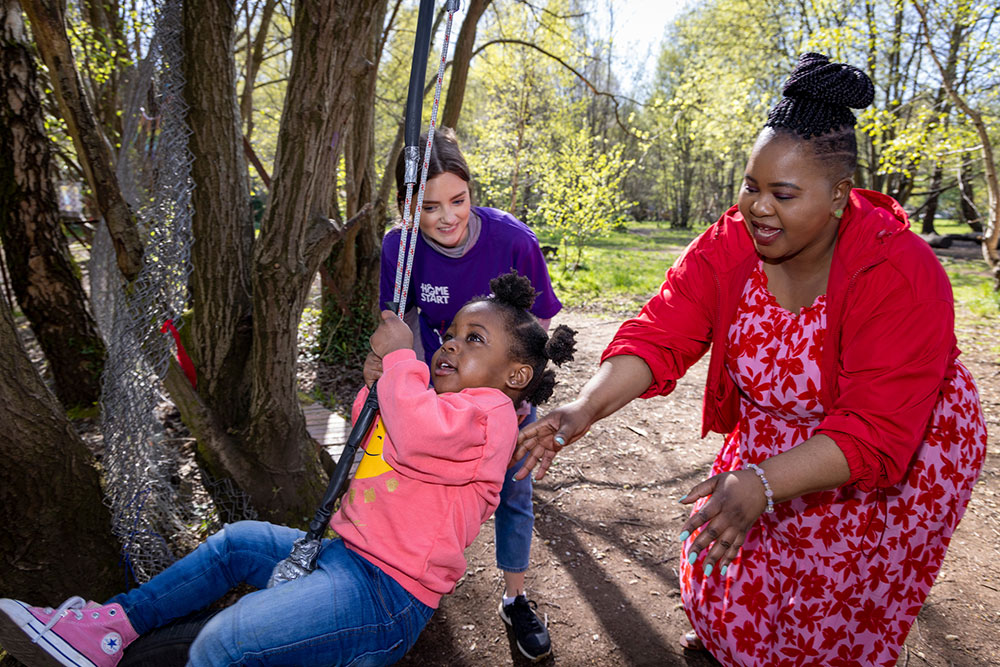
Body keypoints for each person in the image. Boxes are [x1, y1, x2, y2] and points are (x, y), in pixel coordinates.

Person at [514, 53, 987, 666]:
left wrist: (763, 481)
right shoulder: (733, 241)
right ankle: (734, 647)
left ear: (841, 195)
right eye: (751, 186)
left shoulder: (898, 271)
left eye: (782, 194)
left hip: (895, 449)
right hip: (781, 430)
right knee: (737, 569)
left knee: (831, 598)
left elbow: (876, 428)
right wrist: (582, 411)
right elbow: (661, 334)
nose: (758, 207)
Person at [0, 272, 577, 667]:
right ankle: (111, 628)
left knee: (224, 643)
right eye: (449, 333)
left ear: (516, 376)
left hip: (385, 597)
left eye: (473, 339)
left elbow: (420, 434)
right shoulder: (437, 402)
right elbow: (372, 436)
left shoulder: (491, 416)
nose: (449, 345)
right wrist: (381, 382)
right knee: (236, 544)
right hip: (340, 554)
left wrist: (403, 360)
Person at [381, 128, 562, 660]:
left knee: (513, 490)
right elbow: (405, 320)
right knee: (428, 485)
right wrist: (415, 387)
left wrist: (520, 393)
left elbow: (542, 319)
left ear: (470, 191)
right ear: (406, 207)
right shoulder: (400, 247)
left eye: (458, 200)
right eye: (429, 206)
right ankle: (408, 578)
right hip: (443, 388)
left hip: (507, 395)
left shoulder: (513, 240)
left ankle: (515, 597)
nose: (447, 217)